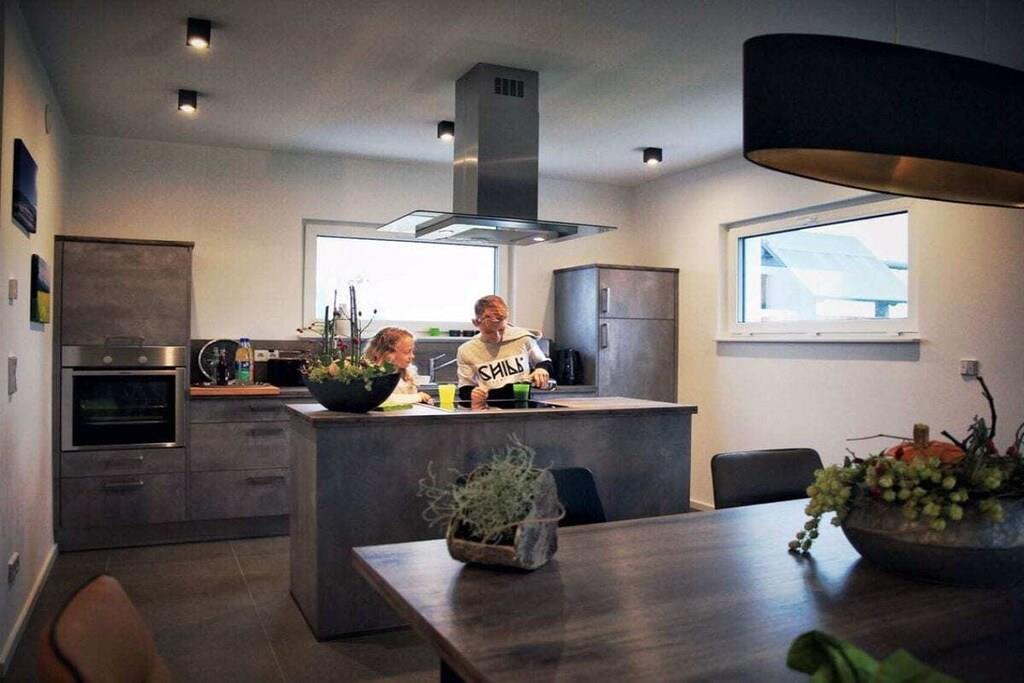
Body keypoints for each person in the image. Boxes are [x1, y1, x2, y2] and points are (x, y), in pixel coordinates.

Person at [456, 295, 553, 403]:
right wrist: (475, 394)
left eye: (501, 330)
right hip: (488, 407)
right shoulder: (467, 350)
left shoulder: (522, 338)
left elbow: (544, 362)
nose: (497, 337)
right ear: (476, 323)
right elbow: (465, 389)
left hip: (522, 405)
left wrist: (541, 369)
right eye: (489, 331)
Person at [364, 327, 432, 405]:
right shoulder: (374, 374)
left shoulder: (407, 372)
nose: (412, 356)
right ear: (388, 354)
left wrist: (423, 400)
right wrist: (418, 397)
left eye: (412, 351)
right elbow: (382, 400)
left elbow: (411, 401)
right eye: (407, 352)